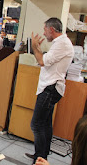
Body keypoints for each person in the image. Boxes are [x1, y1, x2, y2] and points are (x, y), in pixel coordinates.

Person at [24, 17, 74, 164]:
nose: (44, 33)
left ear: (52, 29)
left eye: (45, 30)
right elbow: (45, 60)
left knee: (37, 124)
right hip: (50, 88)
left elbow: (41, 61)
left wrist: (34, 47)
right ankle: (42, 156)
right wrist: (38, 49)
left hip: (50, 88)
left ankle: (40, 159)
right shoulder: (60, 43)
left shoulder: (62, 44)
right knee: (45, 124)